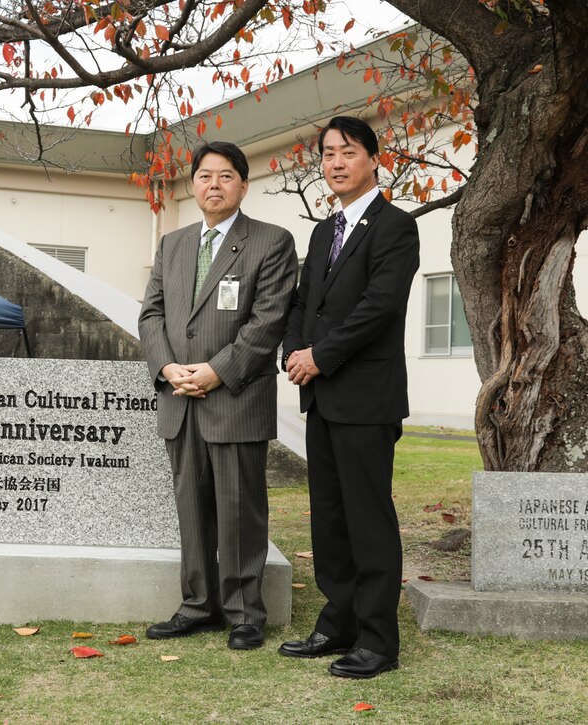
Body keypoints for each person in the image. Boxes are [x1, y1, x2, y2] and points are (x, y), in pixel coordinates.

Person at [139, 141, 297, 650]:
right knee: (192, 510)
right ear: (193, 184)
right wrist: (166, 367)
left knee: (238, 511)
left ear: (243, 186)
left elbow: (267, 322)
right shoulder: (174, 244)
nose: (213, 184)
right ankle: (197, 605)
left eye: (225, 176)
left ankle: (246, 613)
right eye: (205, 176)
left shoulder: (271, 242)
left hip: (234, 397)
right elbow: (152, 315)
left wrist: (215, 372)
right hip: (179, 399)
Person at [280, 116, 419, 679]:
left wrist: (320, 355)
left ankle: (378, 640)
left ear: (373, 160)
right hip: (321, 395)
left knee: (368, 518)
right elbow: (302, 300)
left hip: (366, 397)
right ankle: (336, 621)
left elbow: (377, 308)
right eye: (329, 154)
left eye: (349, 152)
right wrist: (293, 349)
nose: (336, 163)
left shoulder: (395, 227)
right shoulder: (323, 230)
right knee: (330, 518)